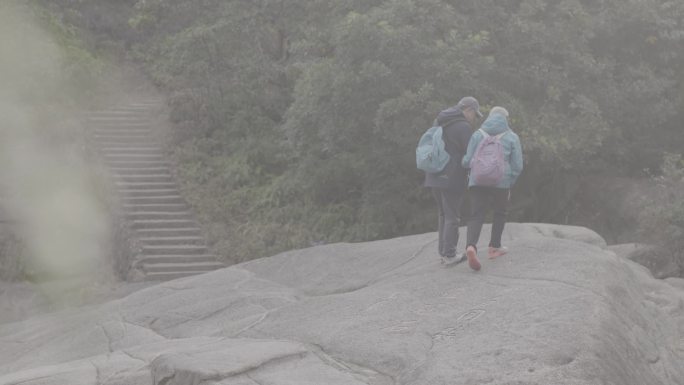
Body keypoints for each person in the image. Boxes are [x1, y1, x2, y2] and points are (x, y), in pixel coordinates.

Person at [461, 106, 523, 271]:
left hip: (478, 181)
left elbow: (467, 161)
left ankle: (471, 246)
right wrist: (510, 182)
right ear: (506, 119)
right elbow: (518, 166)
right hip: (501, 182)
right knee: (500, 213)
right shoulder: (511, 137)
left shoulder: (477, 134)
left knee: (476, 215)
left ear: (489, 117)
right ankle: (494, 247)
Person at [424, 96, 483, 265]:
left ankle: (444, 252)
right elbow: (470, 153)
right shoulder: (462, 126)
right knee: (452, 216)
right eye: (474, 114)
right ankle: (449, 254)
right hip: (451, 177)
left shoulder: (439, 120)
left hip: (434, 174)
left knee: (443, 214)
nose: (473, 119)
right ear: (468, 110)